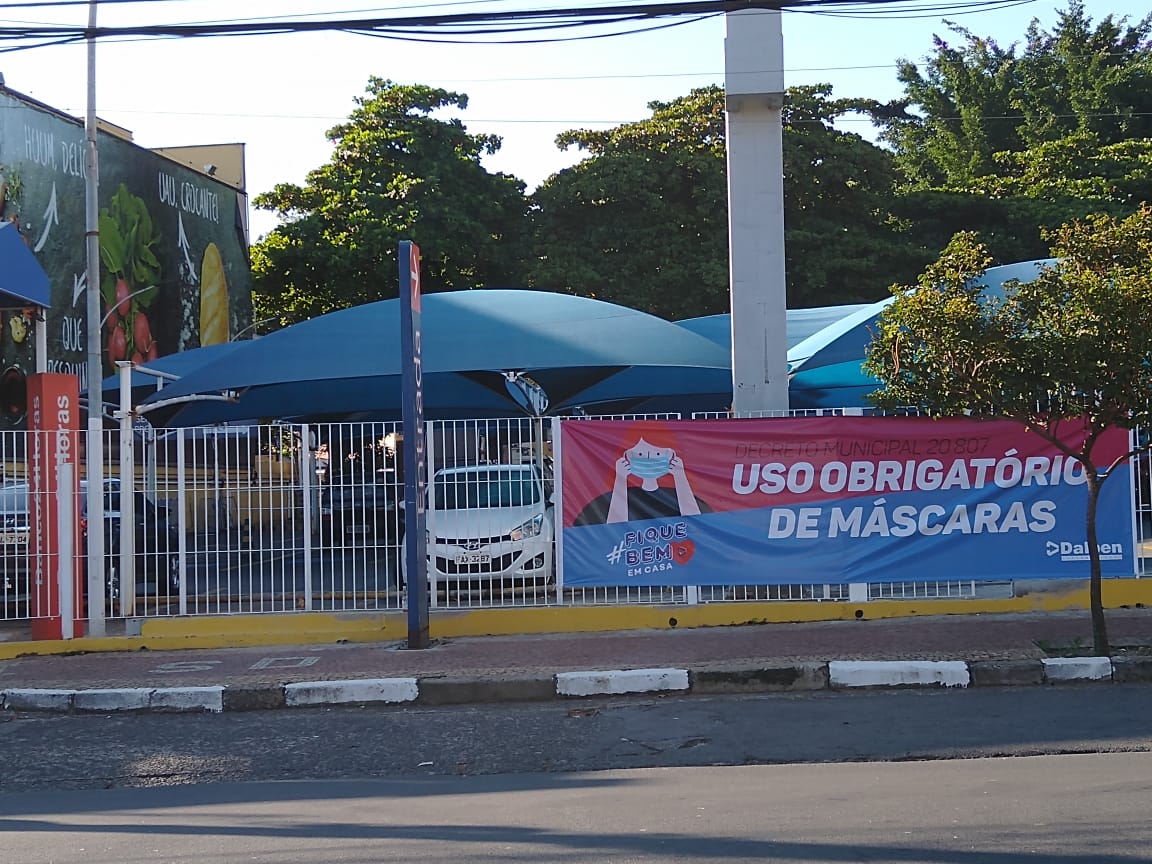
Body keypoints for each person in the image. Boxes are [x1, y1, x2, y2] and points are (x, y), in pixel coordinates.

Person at [574, 425, 710, 525]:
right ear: (626, 457)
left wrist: (680, 478)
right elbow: (614, 529)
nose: (649, 458)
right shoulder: (613, 496)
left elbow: (696, 523)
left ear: (671, 456)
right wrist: (620, 480)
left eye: (657, 454)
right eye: (640, 454)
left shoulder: (677, 494)